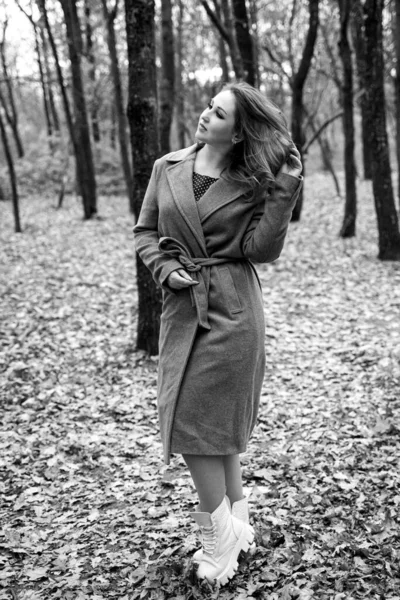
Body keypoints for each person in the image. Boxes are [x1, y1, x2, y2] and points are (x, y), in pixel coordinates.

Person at [133, 82, 303, 586]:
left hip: (232, 307)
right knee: (199, 419)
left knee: (199, 423)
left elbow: (261, 250)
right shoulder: (168, 166)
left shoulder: (251, 180)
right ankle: (237, 518)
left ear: (239, 132)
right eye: (210, 106)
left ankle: (220, 536)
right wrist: (164, 269)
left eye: (220, 114)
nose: (206, 116)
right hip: (182, 307)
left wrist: (284, 186)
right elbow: (145, 232)